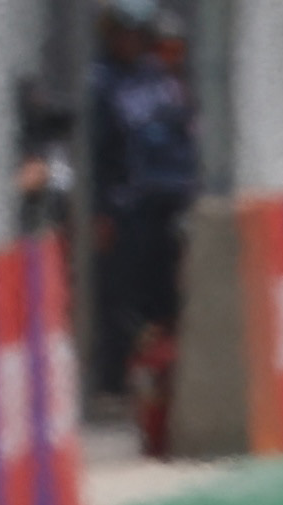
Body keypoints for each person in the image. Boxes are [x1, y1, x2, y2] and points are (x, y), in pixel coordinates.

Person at [87, 4, 199, 401]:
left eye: (136, 34)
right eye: (122, 33)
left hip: (171, 200)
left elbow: (182, 135)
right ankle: (116, 382)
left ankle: (166, 376)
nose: (129, 41)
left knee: (169, 295)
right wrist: (101, 210)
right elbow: (98, 155)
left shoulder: (159, 79)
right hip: (127, 208)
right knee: (122, 296)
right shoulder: (101, 82)